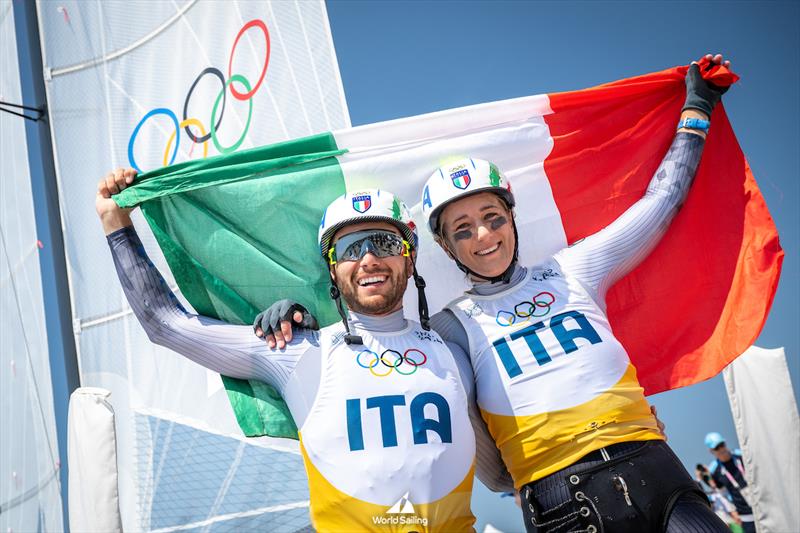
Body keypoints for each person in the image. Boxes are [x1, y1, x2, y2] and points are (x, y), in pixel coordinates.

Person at [260, 54, 733, 532]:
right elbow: (375, 342)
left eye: (492, 218)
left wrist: (697, 109)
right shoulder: (446, 328)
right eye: (463, 229)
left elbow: (662, 202)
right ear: (443, 246)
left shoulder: (577, 268)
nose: (484, 237)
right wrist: (301, 320)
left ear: (512, 218)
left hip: (657, 472)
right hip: (560, 501)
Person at [96, 179, 514, 531]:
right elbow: (165, 324)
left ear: (410, 255)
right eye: (349, 248)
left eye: (384, 242)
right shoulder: (295, 351)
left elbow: (497, 477)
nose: (367, 258)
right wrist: (116, 224)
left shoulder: (454, 348)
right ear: (332, 269)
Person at [705, 432, 756, 533]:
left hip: (762, 505)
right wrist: (732, 512)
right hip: (746, 516)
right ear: (711, 451)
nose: (721, 449)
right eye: (717, 448)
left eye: (722, 445)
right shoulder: (714, 470)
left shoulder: (741, 455)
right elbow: (722, 494)